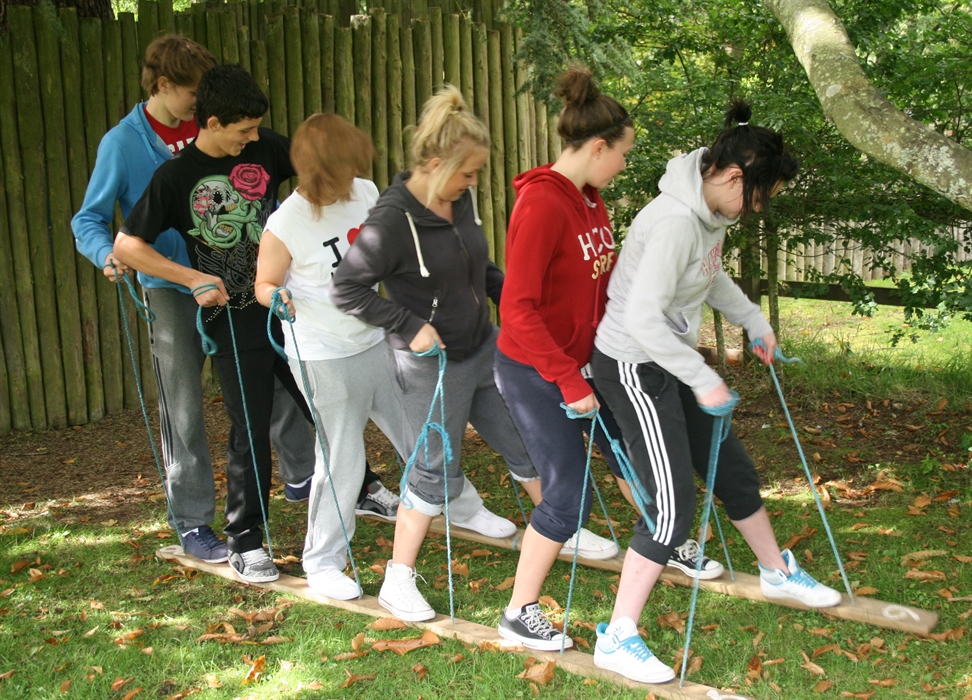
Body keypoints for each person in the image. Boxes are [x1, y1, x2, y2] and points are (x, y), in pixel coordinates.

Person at [589, 99, 841, 684]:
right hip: (633, 367)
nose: (758, 209)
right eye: (759, 196)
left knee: (732, 471)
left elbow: (709, 275)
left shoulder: (709, 214)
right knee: (673, 507)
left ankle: (776, 570)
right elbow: (647, 321)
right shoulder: (676, 220)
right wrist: (703, 378)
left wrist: (755, 320)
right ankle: (618, 635)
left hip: (667, 360)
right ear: (732, 176)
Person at [492, 67, 720, 652]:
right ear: (597, 147)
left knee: (632, 453)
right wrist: (568, 378)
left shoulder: (591, 200)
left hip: (592, 361)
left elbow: (602, 287)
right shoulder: (543, 205)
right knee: (566, 496)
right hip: (537, 370)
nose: (623, 166)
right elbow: (517, 310)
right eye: (621, 155)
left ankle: (663, 534)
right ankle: (519, 612)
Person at [71, 36, 316, 564]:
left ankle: (304, 476)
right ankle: (192, 521)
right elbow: (92, 221)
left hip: (241, 285)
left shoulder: (226, 131)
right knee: (182, 404)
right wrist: (108, 256)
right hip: (172, 288)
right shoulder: (124, 144)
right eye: (189, 91)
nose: (198, 99)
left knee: (275, 379)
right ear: (163, 86)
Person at [331, 86, 535, 622]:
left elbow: (474, 267)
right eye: (468, 173)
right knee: (433, 472)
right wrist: (407, 323)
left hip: (481, 346)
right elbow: (346, 289)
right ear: (437, 161)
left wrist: (507, 296)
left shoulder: (457, 198)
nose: (474, 184)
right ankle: (398, 582)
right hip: (430, 365)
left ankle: (559, 523)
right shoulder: (390, 221)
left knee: (525, 434)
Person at [254, 114, 406, 600]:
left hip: (374, 338)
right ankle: (322, 560)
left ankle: (460, 508)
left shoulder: (365, 191)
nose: (351, 181)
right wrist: (277, 298)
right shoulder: (284, 224)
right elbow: (264, 284)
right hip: (323, 352)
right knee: (342, 455)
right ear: (318, 172)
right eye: (342, 173)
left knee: (419, 427)